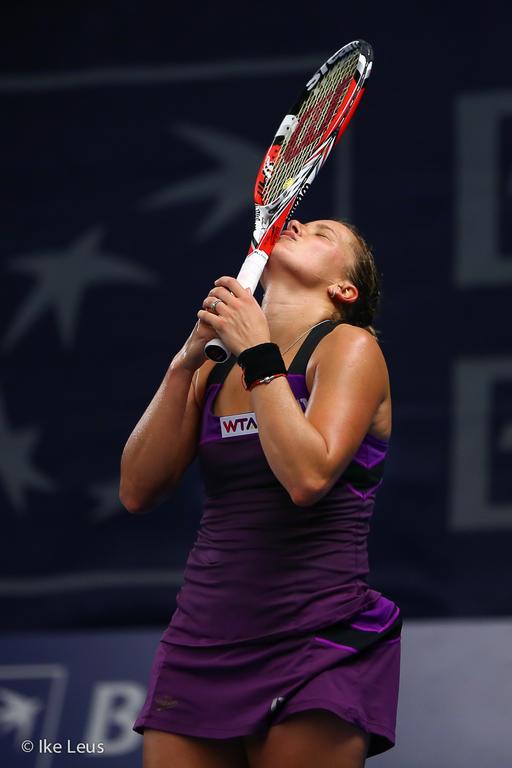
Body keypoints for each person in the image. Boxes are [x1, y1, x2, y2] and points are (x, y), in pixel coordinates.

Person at [120, 218, 401, 768]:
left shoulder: (350, 346)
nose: (294, 222)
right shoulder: (212, 368)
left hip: (315, 639)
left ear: (344, 290)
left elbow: (307, 479)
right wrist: (185, 362)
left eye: (322, 233)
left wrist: (258, 356)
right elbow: (136, 491)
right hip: (200, 639)